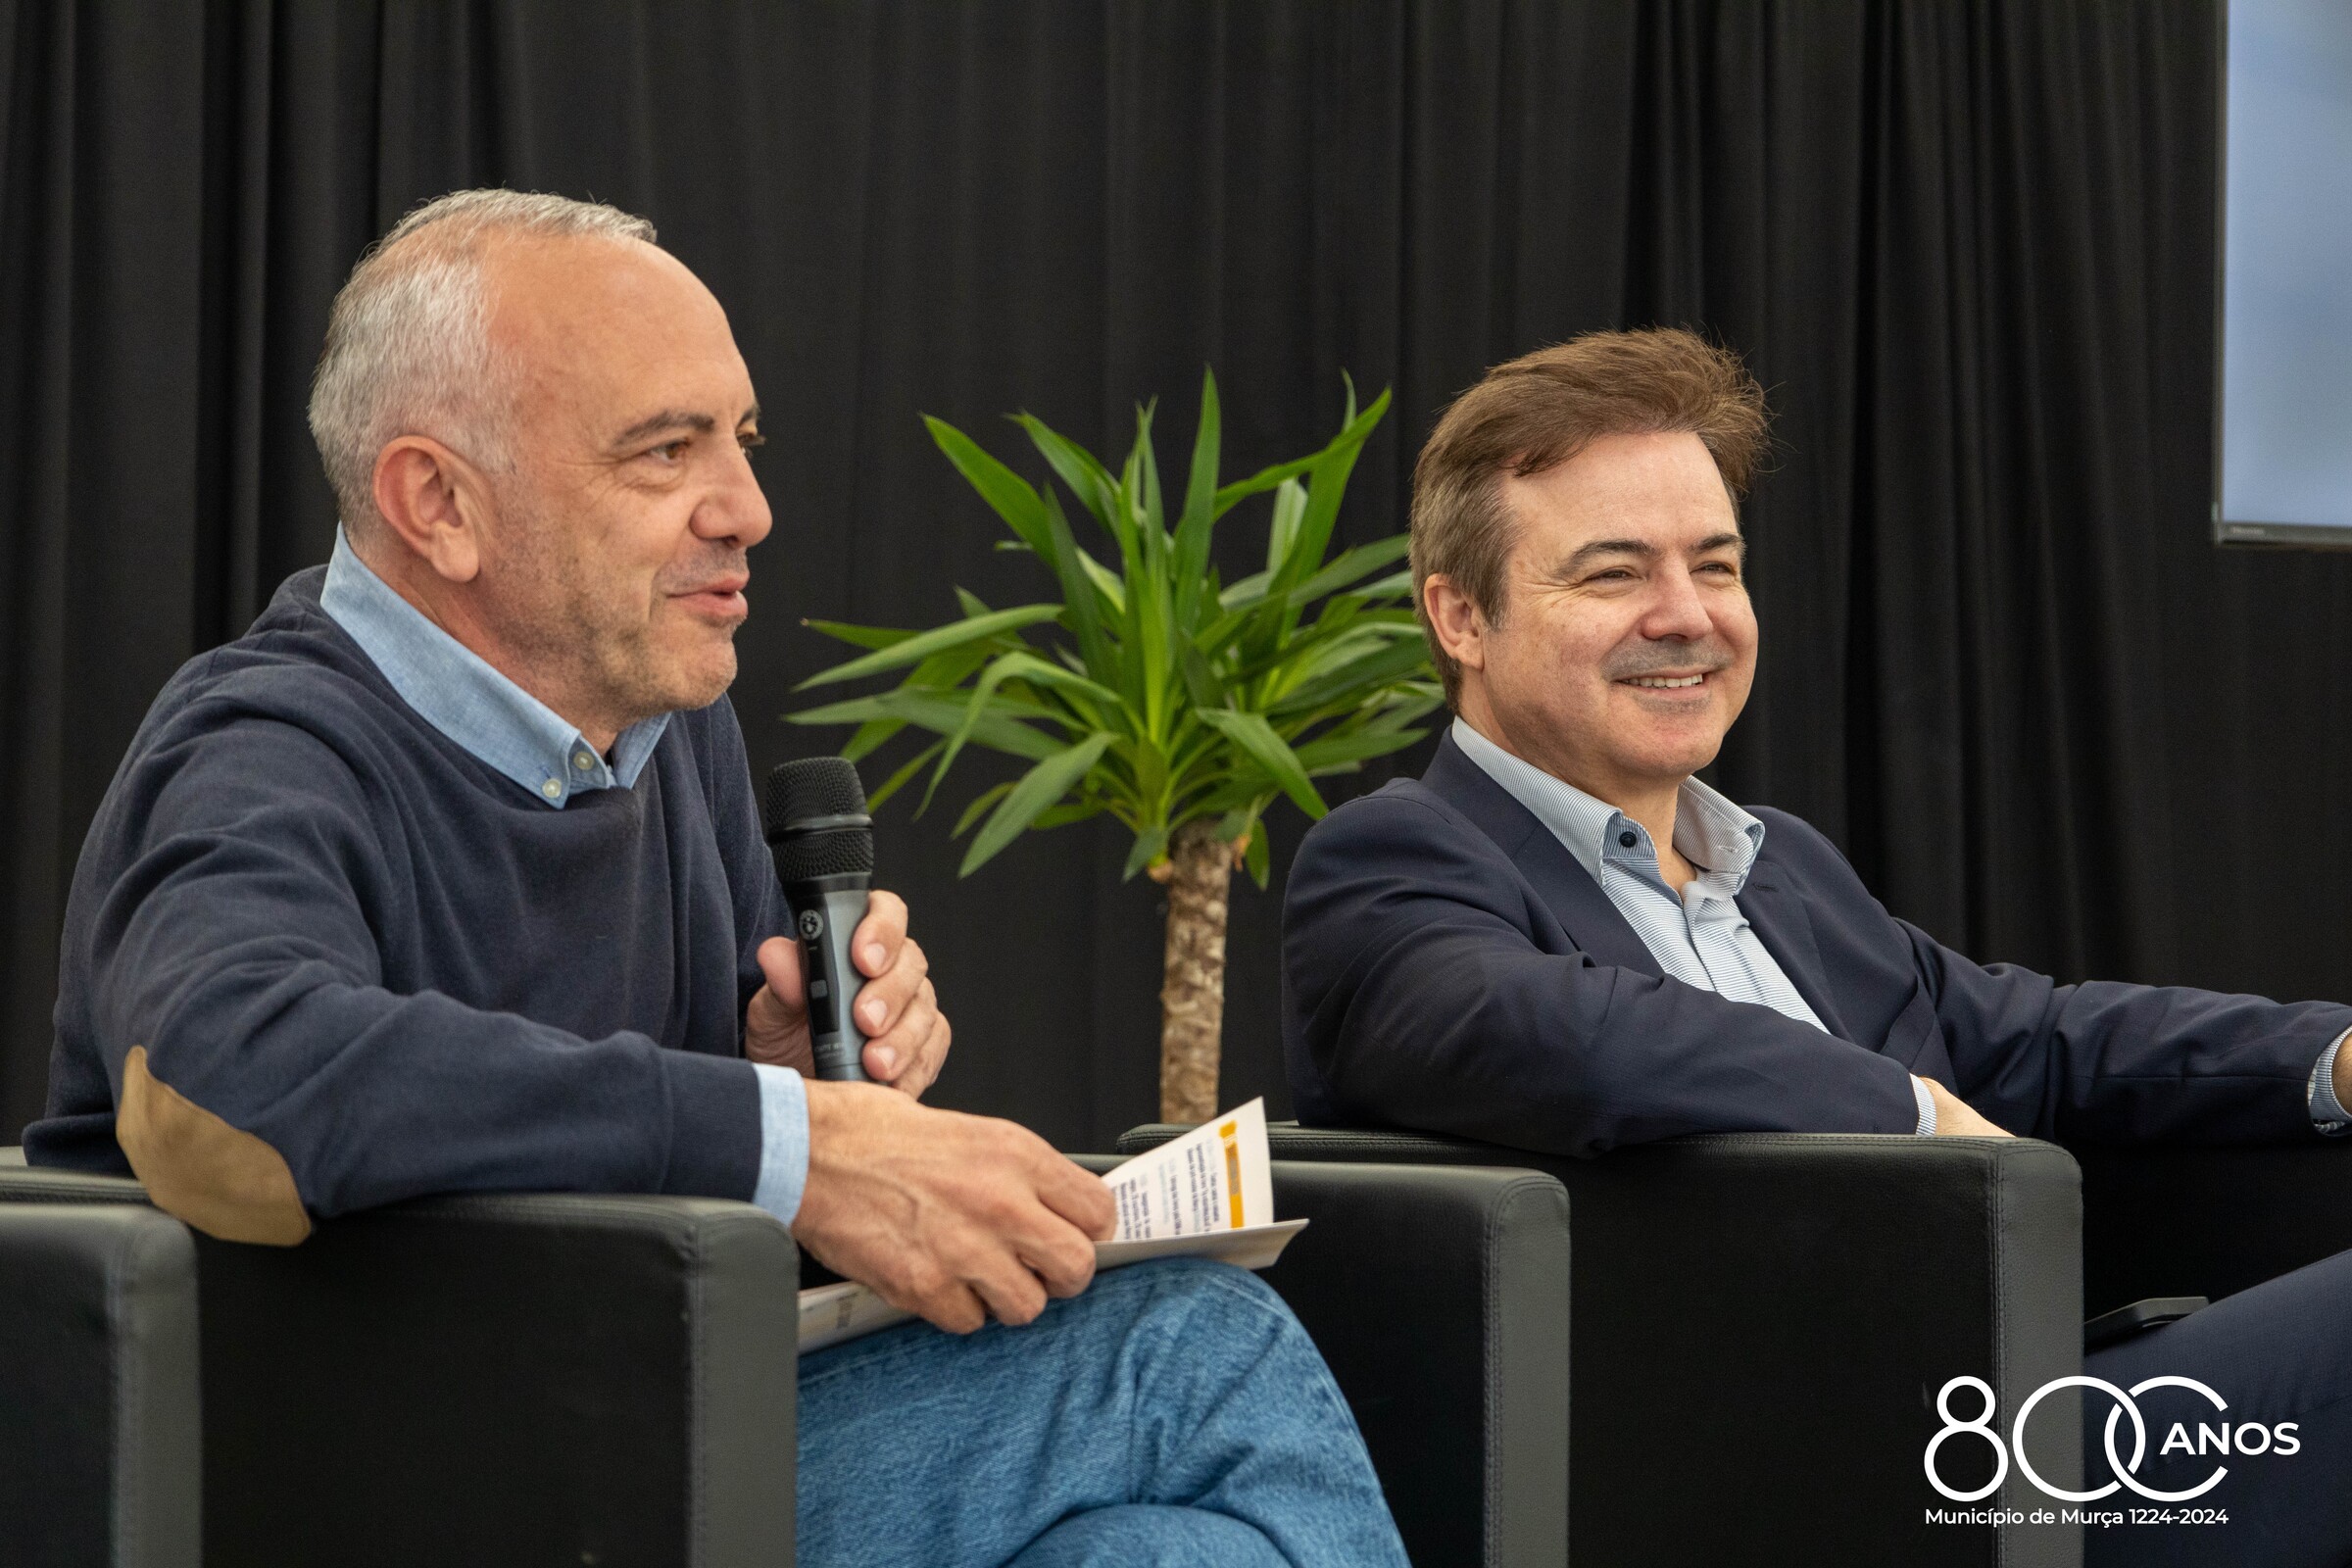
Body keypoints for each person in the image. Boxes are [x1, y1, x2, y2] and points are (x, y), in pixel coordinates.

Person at [27, 189, 1406, 1568]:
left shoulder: (668, 738)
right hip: (390, 1485)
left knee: (1158, 1555)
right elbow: (223, 1072)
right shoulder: (263, 748)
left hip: (633, 1422)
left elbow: (632, 1168)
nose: (748, 508)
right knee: (1186, 1355)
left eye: (740, 442)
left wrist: (786, 1067)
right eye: (663, 451)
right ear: (438, 502)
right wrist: (790, 1147)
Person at [1282, 326, 2352, 1567]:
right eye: (1616, 573)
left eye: (1717, 565)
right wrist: (1904, 1111)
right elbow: (1559, 1035)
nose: (1687, 617)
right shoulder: (1394, 861)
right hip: (1800, 1481)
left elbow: (2035, 1035)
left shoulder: (1777, 865)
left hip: (2016, 1424)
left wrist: (2328, 1058)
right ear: (1461, 615)